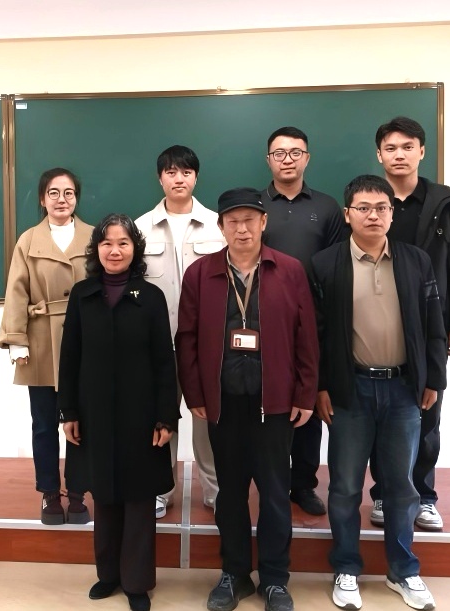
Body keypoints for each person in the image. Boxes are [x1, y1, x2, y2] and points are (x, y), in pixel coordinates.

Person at [176, 188, 319, 611]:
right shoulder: (201, 274)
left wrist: (305, 392)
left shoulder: (289, 270)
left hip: (274, 404)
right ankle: (234, 574)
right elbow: (186, 339)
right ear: (221, 227)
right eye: (233, 221)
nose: (242, 229)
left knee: (275, 494)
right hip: (223, 404)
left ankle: (274, 579)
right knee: (230, 494)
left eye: (250, 220)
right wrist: (194, 392)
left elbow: (307, 336)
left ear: (263, 223)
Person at [311, 175, 447, 610]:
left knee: (401, 488)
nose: (373, 215)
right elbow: (316, 334)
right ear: (347, 214)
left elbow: (434, 324)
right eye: (364, 208)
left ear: (392, 213)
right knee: (345, 487)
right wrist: (320, 386)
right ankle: (346, 568)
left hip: (404, 390)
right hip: (350, 390)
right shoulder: (325, 264)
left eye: (382, 208)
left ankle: (403, 570)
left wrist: (434, 379)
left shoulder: (416, 260)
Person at [58, 213, 179, 611]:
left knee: (139, 498)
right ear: (96, 249)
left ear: (135, 249)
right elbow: (70, 356)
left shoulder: (151, 297)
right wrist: (68, 411)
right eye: (107, 243)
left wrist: (166, 416)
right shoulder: (83, 295)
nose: (114, 250)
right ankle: (108, 574)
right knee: (105, 494)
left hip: (141, 416)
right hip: (93, 413)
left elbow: (164, 361)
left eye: (123, 243)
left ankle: (137, 582)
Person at [369, 117, 450, 532]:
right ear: (379, 155)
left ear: (422, 152)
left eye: (407, 147)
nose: (399, 155)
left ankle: (424, 497)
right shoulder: (368, 201)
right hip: (376, 325)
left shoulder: (445, 205)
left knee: (426, 413)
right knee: (380, 414)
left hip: (431, 324)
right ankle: (383, 494)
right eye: (391, 148)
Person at [0, 167, 94, 525]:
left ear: (76, 198)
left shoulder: (95, 237)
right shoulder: (28, 241)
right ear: (42, 198)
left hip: (85, 343)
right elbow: (16, 292)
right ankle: (49, 493)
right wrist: (16, 340)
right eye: (54, 193)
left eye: (69, 193)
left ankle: (78, 493)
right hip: (40, 343)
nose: (61, 200)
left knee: (83, 423)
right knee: (43, 424)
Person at [260, 126, 347, 517]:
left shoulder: (327, 207)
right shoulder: (255, 206)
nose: (288, 160)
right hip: (263, 321)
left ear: (307, 158)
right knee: (270, 404)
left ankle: (304, 484)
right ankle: (273, 481)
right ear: (269, 160)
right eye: (279, 153)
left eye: (296, 152)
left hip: (313, 320)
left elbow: (336, 267)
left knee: (308, 402)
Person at [135, 144, 225, 519]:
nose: (179, 179)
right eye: (171, 172)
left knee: (209, 419)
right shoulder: (139, 228)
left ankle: (216, 490)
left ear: (195, 177)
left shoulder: (218, 225)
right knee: (159, 418)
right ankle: (160, 489)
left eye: (186, 172)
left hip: (205, 345)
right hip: (156, 346)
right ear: (160, 178)